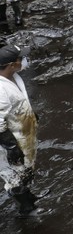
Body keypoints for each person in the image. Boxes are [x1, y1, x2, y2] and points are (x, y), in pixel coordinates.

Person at [0, 44, 40, 215]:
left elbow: (19, 101)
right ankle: (26, 209)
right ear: (11, 65)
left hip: (23, 135)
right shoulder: (1, 90)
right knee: (15, 175)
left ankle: (29, 197)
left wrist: (31, 115)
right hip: (11, 142)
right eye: (20, 59)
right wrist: (11, 147)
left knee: (26, 168)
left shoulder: (13, 77)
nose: (23, 61)